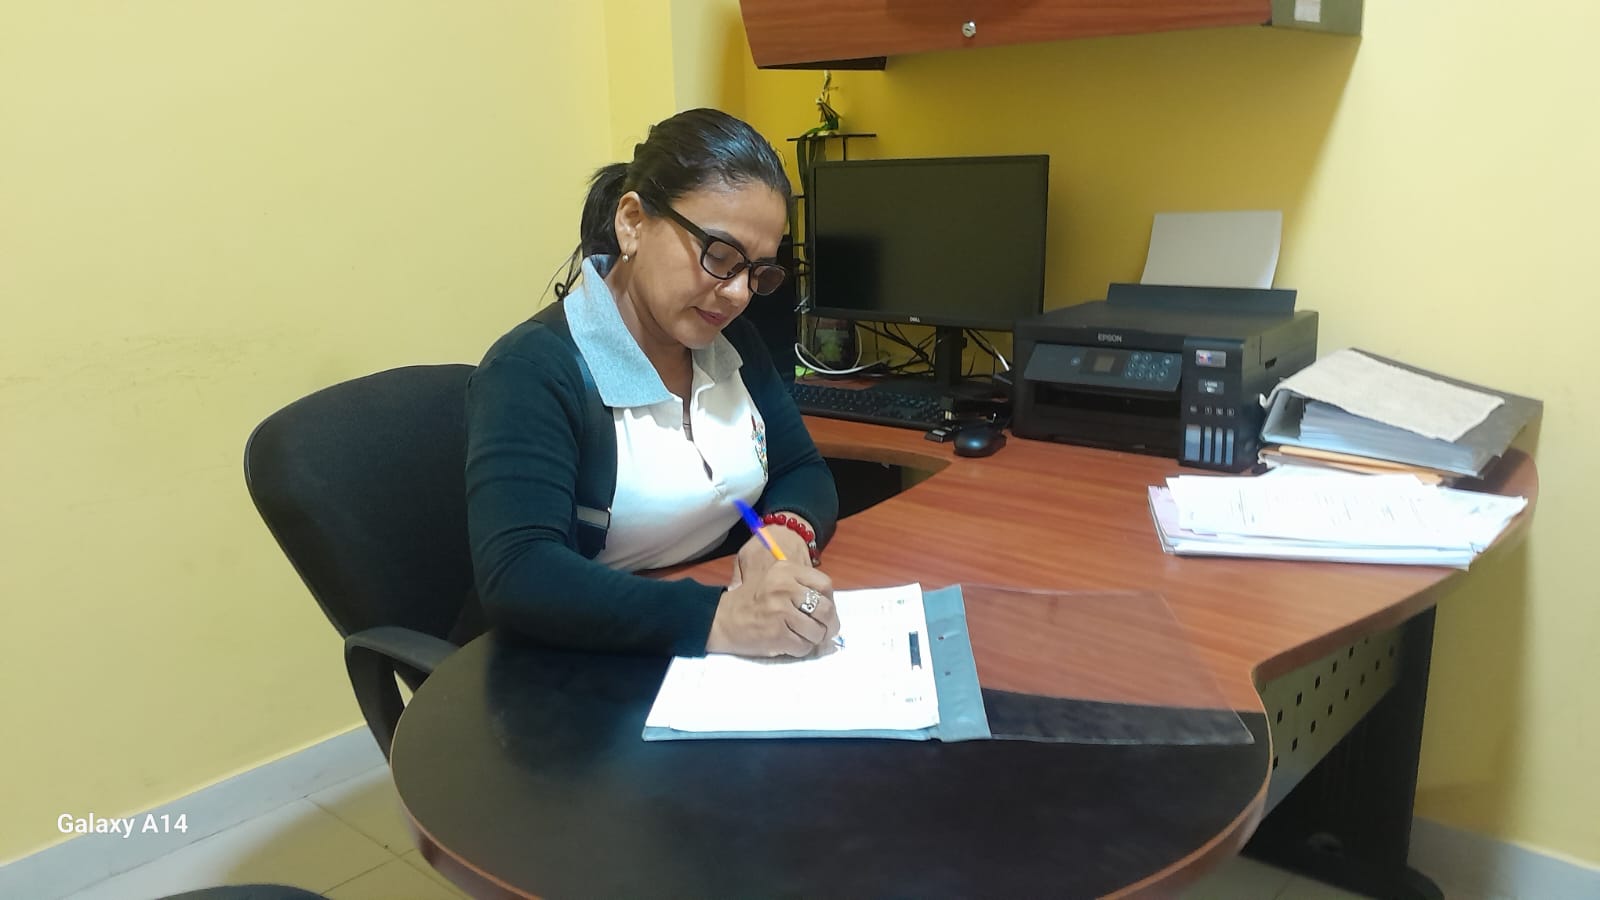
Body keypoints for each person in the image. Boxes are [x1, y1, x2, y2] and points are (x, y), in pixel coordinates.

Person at [464, 108, 840, 659]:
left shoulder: (731, 342)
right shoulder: (533, 370)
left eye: (758, 271)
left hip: (702, 641)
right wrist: (717, 618)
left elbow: (801, 469)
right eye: (719, 255)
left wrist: (781, 534)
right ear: (633, 222)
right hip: (580, 660)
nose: (739, 294)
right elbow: (519, 573)